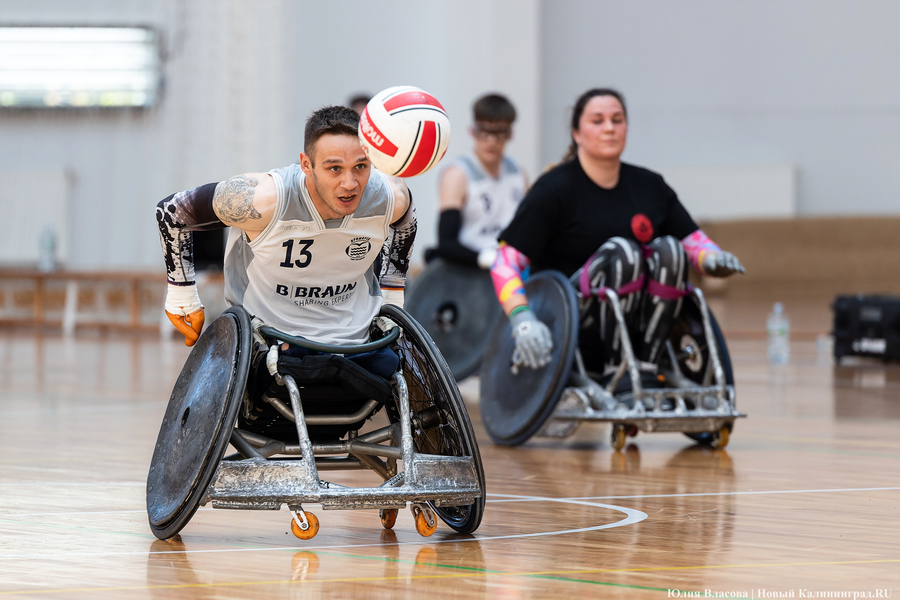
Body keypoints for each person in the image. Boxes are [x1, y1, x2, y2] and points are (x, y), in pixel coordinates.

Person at [490, 88, 744, 376]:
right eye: (597, 121)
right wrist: (522, 318)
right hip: (572, 323)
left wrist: (711, 258)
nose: (609, 128)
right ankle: (616, 368)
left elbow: (691, 241)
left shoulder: (650, 186)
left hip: (642, 322)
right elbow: (505, 263)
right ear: (577, 133)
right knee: (624, 252)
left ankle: (647, 366)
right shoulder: (553, 189)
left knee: (670, 249)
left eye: (617, 120)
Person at [156, 105, 416, 379]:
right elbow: (172, 211)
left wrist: (392, 291)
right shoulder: (265, 199)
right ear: (306, 164)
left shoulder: (387, 197)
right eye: (334, 169)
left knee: (396, 368)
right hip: (273, 342)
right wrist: (181, 292)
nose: (350, 183)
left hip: (355, 342)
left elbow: (407, 221)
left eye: (360, 167)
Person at [429, 93, 528, 269]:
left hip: (509, 267)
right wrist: (487, 259)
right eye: (485, 132)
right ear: (472, 131)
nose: (491, 140)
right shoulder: (458, 174)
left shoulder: (518, 174)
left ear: (509, 135)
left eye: (499, 133)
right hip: (468, 267)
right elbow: (446, 243)